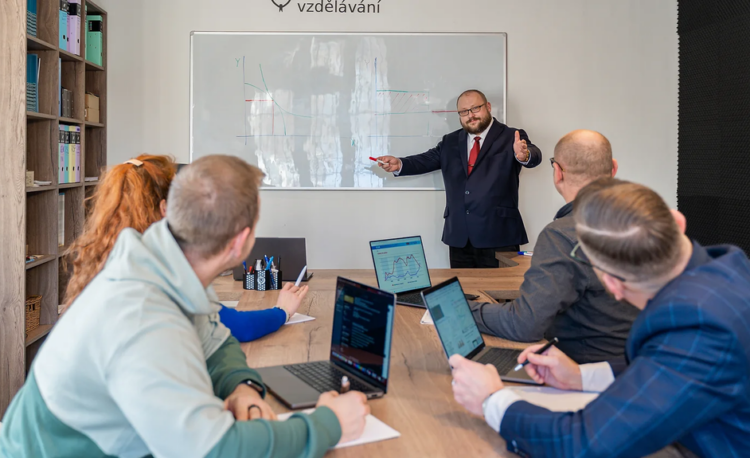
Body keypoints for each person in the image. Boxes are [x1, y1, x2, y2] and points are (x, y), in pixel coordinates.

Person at [0, 156, 369, 457]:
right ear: (240, 242)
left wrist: (241, 387)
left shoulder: (168, 263)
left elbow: (217, 341)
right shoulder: (144, 316)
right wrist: (329, 424)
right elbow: (214, 450)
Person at [449, 178, 750, 458]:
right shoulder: (729, 266)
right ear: (677, 222)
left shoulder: (700, 327)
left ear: (613, 286)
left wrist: (491, 400)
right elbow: (664, 368)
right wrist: (581, 376)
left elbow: (582, 444)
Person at [62, 154, 304, 342]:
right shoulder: (152, 271)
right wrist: (282, 311)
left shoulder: (119, 252)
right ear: (166, 208)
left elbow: (213, 332)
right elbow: (233, 327)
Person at [469, 130, 638, 363]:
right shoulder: (642, 221)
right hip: (634, 365)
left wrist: (462, 310)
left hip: (578, 371)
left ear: (557, 172)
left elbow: (523, 325)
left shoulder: (562, 234)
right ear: (614, 168)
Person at [377, 89, 542, 268]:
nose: (471, 115)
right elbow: (426, 160)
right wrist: (399, 164)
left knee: (500, 286)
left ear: (488, 107)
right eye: (464, 112)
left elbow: (534, 155)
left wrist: (524, 155)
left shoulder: (512, 136)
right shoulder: (450, 141)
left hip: (500, 235)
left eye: (475, 108)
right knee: (463, 286)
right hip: (460, 237)